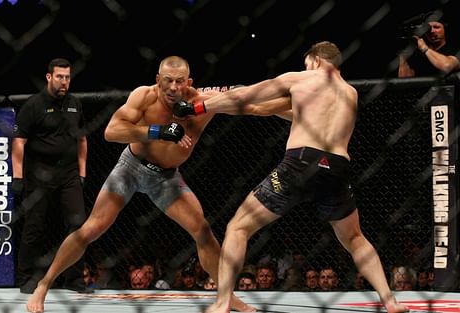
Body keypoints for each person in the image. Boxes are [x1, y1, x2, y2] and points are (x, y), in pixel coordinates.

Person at [25, 55, 288, 313]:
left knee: (203, 230)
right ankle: (43, 285)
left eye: (180, 81)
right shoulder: (144, 96)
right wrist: (156, 131)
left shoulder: (202, 103)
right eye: (168, 81)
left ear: (189, 81)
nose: (174, 87)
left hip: (165, 177)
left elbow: (254, 105)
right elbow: (111, 132)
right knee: (92, 228)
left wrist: (297, 109)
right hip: (130, 167)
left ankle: (227, 297)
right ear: (158, 80)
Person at [173, 41, 409, 313]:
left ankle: (224, 302)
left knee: (238, 227)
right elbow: (266, 109)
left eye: (307, 63)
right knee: (355, 238)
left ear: (316, 60)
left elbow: (249, 98)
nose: (305, 67)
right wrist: (228, 100)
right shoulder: (350, 93)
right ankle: (390, 301)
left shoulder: (301, 78)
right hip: (337, 168)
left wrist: (197, 108)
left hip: (300, 163)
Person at [12, 58, 88, 294]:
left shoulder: (75, 103)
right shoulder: (34, 105)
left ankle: (74, 279)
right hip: (39, 174)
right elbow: (19, 142)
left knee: (79, 225)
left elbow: (82, 140)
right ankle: (26, 277)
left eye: (67, 77)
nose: (64, 81)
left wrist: (82, 172)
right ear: (49, 77)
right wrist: (17, 177)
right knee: (34, 226)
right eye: (60, 77)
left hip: (69, 174)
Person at [398, 12, 460, 77]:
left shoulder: (454, 50)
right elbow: (404, 79)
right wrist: (403, 56)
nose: (432, 31)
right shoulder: (419, 54)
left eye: (436, 27)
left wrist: (425, 48)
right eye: (428, 29)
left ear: (444, 29)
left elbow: (447, 66)